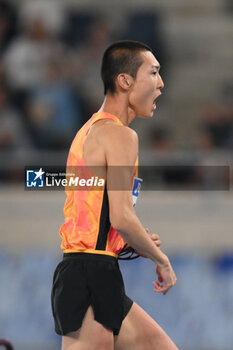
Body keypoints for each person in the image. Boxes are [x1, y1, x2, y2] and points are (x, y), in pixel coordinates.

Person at [51, 40, 178, 350]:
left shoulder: (89, 132)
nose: (161, 83)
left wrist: (131, 243)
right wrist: (160, 259)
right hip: (89, 274)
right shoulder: (120, 135)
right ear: (124, 81)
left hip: (95, 269)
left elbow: (98, 214)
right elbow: (121, 216)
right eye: (154, 73)